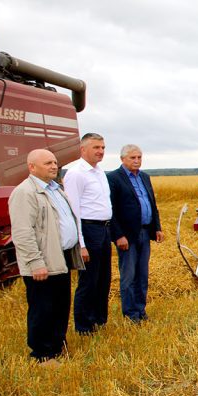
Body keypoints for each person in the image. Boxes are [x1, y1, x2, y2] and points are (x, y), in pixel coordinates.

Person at [8, 149, 84, 362]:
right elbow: (23, 233)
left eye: (55, 162)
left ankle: (57, 347)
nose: (53, 166)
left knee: (60, 306)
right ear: (32, 167)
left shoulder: (55, 189)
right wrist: (35, 262)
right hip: (42, 261)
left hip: (61, 257)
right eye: (48, 163)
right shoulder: (25, 193)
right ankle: (42, 354)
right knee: (43, 308)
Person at [107, 145, 164, 322]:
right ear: (122, 159)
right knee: (129, 276)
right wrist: (118, 235)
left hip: (145, 232)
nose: (137, 161)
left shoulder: (144, 177)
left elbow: (151, 204)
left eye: (139, 157)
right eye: (133, 158)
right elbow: (111, 210)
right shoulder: (113, 178)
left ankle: (141, 310)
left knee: (142, 275)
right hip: (127, 235)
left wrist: (157, 227)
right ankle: (131, 314)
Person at [62, 132, 112, 335]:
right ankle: (84, 325)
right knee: (89, 280)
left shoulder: (100, 172)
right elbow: (74, 210)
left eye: (102, 148)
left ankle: (99, 320)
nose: (100, 151)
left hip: (104, 229)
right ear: (83, 150)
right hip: (89, 229)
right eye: (96, 148)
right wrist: (81, 244)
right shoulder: (76, 174)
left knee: (103, 278)